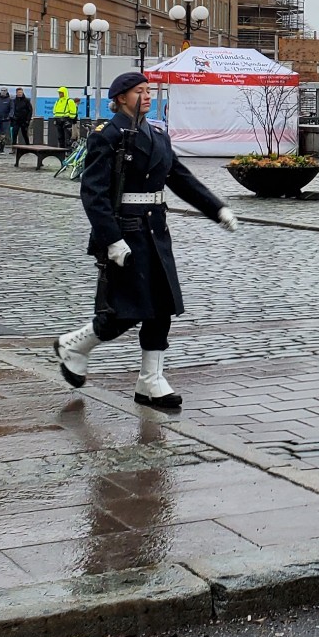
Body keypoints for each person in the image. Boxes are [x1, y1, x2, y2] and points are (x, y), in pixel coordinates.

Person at [53, 70, 237, 409]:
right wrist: (111, 239)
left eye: (149, 90)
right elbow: (93, 193)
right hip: (125, 230)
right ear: (121, 98)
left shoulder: (157, 135)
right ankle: (75, 344)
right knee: (124, 310)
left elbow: (180, 178)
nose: (148, 95)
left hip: (155, 230)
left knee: (161, 308)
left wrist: (217, 209)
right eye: (140, 91)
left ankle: (151, 380)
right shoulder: (107, 136)